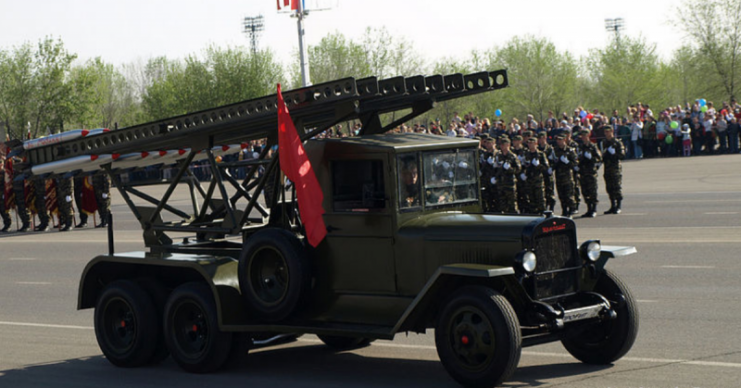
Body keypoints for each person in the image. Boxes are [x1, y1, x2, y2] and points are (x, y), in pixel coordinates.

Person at [577, 129, 602, 218]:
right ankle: (588, 209)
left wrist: (591, 158)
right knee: (585, 191)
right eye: (582, 136)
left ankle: (594, 209)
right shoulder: (580, 147)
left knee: (592, 191)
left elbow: (599, 158)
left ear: (588, 135)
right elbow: (577, 158)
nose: (583, 138)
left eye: (585, 136)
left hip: (591, 172)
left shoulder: (593, 146)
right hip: (583, 172)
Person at [600, 126, 625, 214]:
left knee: (616, 187)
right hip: (607, 168)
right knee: (609, 188)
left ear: (612, 131)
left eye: (608, 131)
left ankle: (618, 206)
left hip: (615, 168)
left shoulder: (617, 142)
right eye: (605, 132)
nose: (607, 133)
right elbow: (602, 155)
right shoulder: (604, 142)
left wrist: (614, 154)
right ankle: (612, 205)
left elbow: (622, 155)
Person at [522, 137, 549, 214]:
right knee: (531, 198)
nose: (530, 145)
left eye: (532, 143)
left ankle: (542, 213)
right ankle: (534, 214)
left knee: (540, 198)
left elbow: (546, 168)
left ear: (536, 144)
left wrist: (538, 165)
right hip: (529, 179)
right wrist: (523, 173)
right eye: (529, 143)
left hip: (538, 180)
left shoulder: (540, 154)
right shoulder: (526, 154)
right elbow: (523, 166)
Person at [553, 134, 578, 218]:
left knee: (569, 195)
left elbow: (575, 164)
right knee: (561, 195)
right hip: (559, 177)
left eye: (560, 139)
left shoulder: (570, 150)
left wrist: (567, 162)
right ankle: (564, 211)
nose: (558, 141)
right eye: (557, 140)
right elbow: (552, 163)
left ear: (564, 140)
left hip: (567, 177)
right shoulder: (555, 150)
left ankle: (571, 211)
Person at [494, 137, 521, 214]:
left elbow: (518, 169)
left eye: (504, 145)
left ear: (508, 145)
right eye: (501, 145)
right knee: (502, 205)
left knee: (512, 204)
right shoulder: (499, 156)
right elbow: (496, 169)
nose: (502, 146)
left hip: (510, 184)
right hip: (500, 183)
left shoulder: (512, 156)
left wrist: (510, 169)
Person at [479, 135, 499, 213]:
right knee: (487, 198)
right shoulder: (484, 153)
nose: (487, 145)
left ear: (494, 143)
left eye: (489, 143)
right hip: (486, 179)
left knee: (496, 198)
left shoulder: (497, 154)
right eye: (486, 143)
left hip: (494, 179)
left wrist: (496, 177)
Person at [537, 132, 556, 211]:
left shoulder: (550, 148)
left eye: (543, 138)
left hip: (548, 173)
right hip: (540, 173)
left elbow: (555, 160)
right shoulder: (537, 149)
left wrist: (551, 168)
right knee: (542, 192)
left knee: (549, 190)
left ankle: (551, 208)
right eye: (540, 138)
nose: (541, 140)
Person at [0, 153, 11, 232]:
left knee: (4, 210)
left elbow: (7, 183)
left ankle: (7, 224)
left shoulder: (4, 173)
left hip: (2, 194)